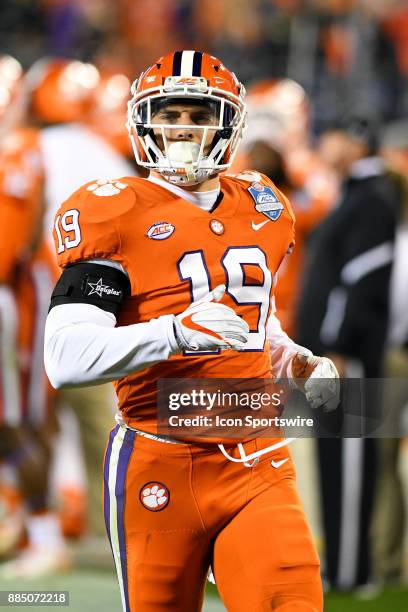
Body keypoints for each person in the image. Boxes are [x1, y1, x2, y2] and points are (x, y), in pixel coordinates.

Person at [44, 51, 339, 612]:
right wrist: (174, 333)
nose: (182, 127)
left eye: (198, 113)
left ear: (227, 124)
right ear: (143, 121)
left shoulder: (263, 202)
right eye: (169, 112)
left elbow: (254, 317)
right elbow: (64, 356)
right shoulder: (113, 211)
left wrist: (290, 355)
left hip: (257, 456)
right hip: (159, 456)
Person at [296, 117, 400, 591]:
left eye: (332, 135)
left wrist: (337, 344)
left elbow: (362, 280)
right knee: (335, 463)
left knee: (352, 464)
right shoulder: (357, 195)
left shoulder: (372, 198)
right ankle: (340, 565)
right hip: (333, 355)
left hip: (349, 356)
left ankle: (351, 574)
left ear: (356, 142)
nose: (324, 143)